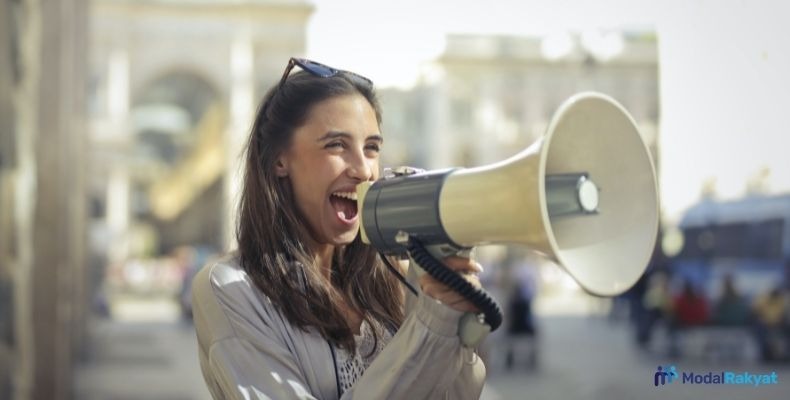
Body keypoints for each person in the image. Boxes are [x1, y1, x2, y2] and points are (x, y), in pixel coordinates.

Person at [191, 58, 486, 399]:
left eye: (371, 148)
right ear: (279, 160)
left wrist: (453, 323)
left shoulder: (397, 278)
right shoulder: (230, 288)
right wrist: (430, 328)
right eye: (336, 145)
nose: (363, 170)